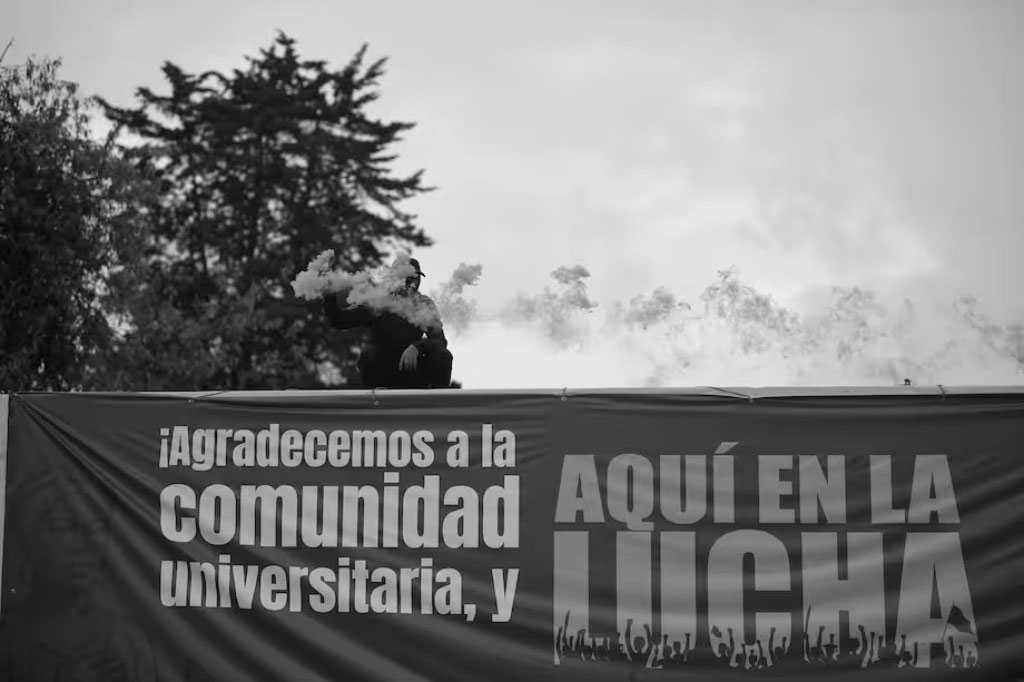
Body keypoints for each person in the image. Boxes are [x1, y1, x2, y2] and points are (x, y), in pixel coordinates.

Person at [323, 256, 453, 389]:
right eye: (408, 278)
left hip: (412, 367)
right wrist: (329, 293)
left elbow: (439, 340)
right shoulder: (377, 302)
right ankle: (376, 395)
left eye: (415, 277)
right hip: (384, 370)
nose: (412, 282)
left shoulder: (423, 303)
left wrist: (417, 347)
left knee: (443, 355)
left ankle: (436, 396)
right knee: (368, 354)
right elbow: (339, 321)